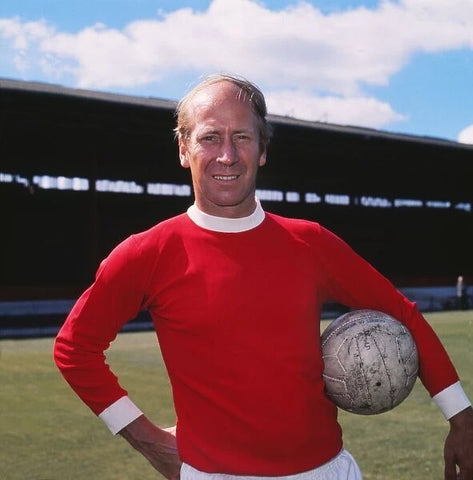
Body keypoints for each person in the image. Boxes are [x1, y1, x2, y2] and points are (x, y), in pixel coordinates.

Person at [54, 73, 473, 480]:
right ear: (183, 148)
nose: (227, 155)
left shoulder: (311, 242)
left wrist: (462, 418)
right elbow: (75, 349)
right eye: (210, 137)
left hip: (327, 471)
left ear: (263, 149)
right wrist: (148, 439)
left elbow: (403, 314)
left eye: (242, 137)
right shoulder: (148, 252)